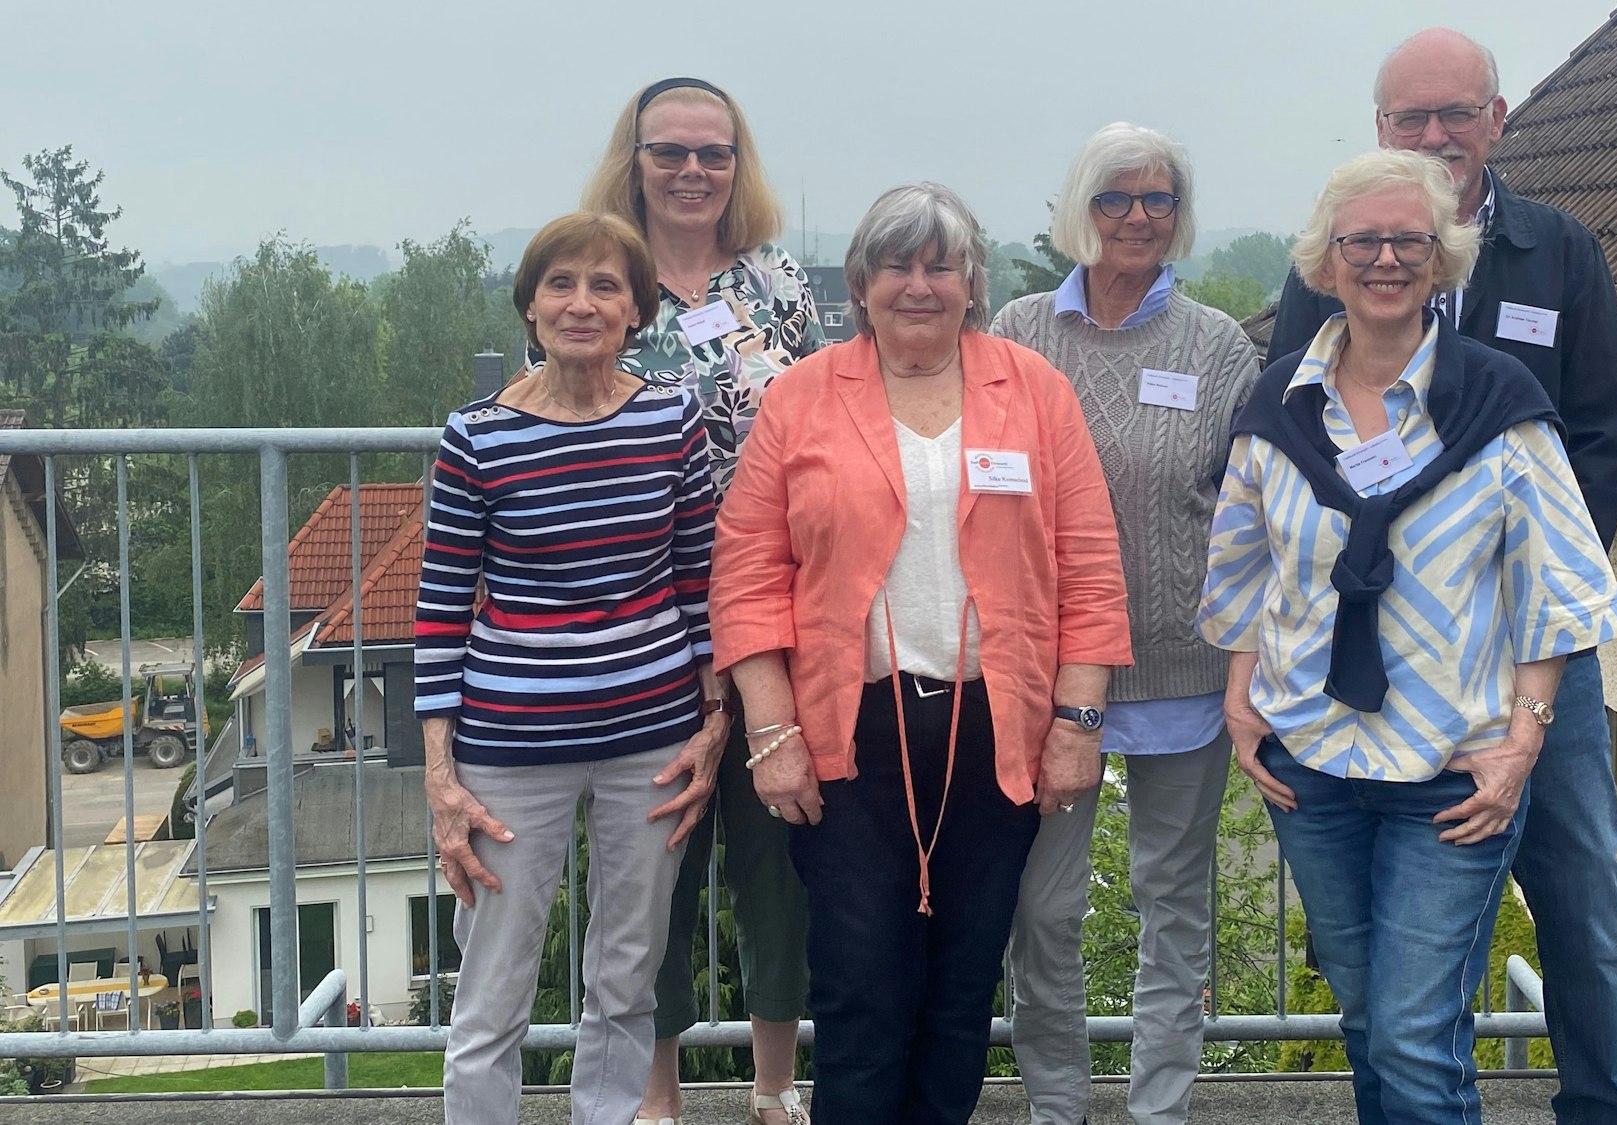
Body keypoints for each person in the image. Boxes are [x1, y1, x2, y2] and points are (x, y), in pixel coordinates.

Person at [1199, 149, 1617, 1124]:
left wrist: (1524, 736)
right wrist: (1238, 700)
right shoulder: (1276, 406)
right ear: (1324, 262)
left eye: (1409, 241)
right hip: (1310, 765)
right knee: (1365, 1017)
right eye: (1362, 241)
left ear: (1441, 261)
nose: (1384, 259)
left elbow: (1556, 585)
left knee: (1412, 1032)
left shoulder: (1498, 406)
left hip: (1451, 770)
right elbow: (1241, 567)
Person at [710, 182, 1133, 1125]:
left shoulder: (1034, 389)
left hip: (999, 727)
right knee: (861, 983)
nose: (918, 284)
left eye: (940, 264)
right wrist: (771, 729)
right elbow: (745, 575)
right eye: (896, 264)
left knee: (962, 988)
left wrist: (1078, 720)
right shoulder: (802, 398)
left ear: (971, 282)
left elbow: (1092, 569)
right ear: (860, 284)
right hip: (849, 730)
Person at [416, 211, 726, 1125]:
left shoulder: (673, 417)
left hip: (655, 745)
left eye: (605, 285)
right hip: (511, 750)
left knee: (627, 977)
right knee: (492, 989)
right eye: (560, 283)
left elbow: (698, 581)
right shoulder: (476, 437)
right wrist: (440, 775)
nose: (581, 303)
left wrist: (716, 724)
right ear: (529, 304)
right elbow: (438, 616)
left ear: (637, 310)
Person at [990, 122, 1261, 1125]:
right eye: (1115, 198)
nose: (1137, 217)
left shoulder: (1215, 344)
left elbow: (1246, 515)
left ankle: (1157, 1111)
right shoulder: (1017, 333)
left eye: (1156, 200)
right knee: (1042, 909)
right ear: (1078, 209)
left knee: (1171, 908)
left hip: (1182, 666)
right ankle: (1054, 1106)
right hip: (1049, 678)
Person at [573, 75, 824, 1125]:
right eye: (668, 151)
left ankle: (774, 1086)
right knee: (650, 870)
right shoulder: (596, 277)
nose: (690, 171)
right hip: (641, 625)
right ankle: (655, 1096)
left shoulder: (777, 285)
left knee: (779, 865)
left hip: (776, 618)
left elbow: (826, 428)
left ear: (737, 165)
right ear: (632, 160)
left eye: (711, 154)